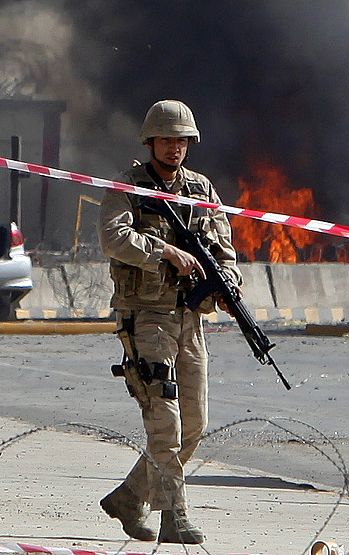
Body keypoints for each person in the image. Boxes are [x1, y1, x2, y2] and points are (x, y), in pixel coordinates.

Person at [98, 99, 242, 544]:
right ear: (150, 142)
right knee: (165, 420)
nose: (173, 148)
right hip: (146, 317)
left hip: (189, 318)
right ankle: (173, 514)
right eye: (165, 139)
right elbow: (113, 237)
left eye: (180, 140)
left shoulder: (201, 189)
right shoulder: (129, 187)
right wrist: (164, 252)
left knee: (193, 424)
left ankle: (129, 498)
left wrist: (227, 281)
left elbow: (224, 245)